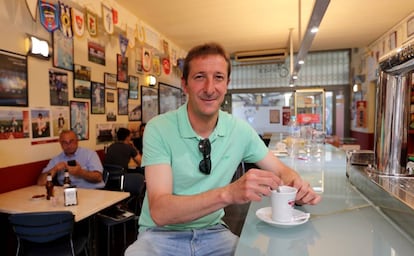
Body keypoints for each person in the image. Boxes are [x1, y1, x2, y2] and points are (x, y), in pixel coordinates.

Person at [125, 42, 321, 256]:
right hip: (160, 236)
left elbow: (282, 171)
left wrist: (296, 188)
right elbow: (160, 212)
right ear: (185, 84)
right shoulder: (159, 128)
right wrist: (229, 193)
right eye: (200, 77)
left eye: (218, 77)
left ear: (227, 84)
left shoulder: (240, 131)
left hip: (214, 233)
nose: (209, 88)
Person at [37, 130, 105, 189]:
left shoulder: (90, 154)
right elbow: (40, 182)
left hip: (93, 191)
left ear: (77, 141)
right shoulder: (56, 160)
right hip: (68, 194)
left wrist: (81, 172)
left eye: (71, 141)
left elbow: (98, 177)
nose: (68, 145)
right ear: (60, 144)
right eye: (64, 142)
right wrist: (55, 169)